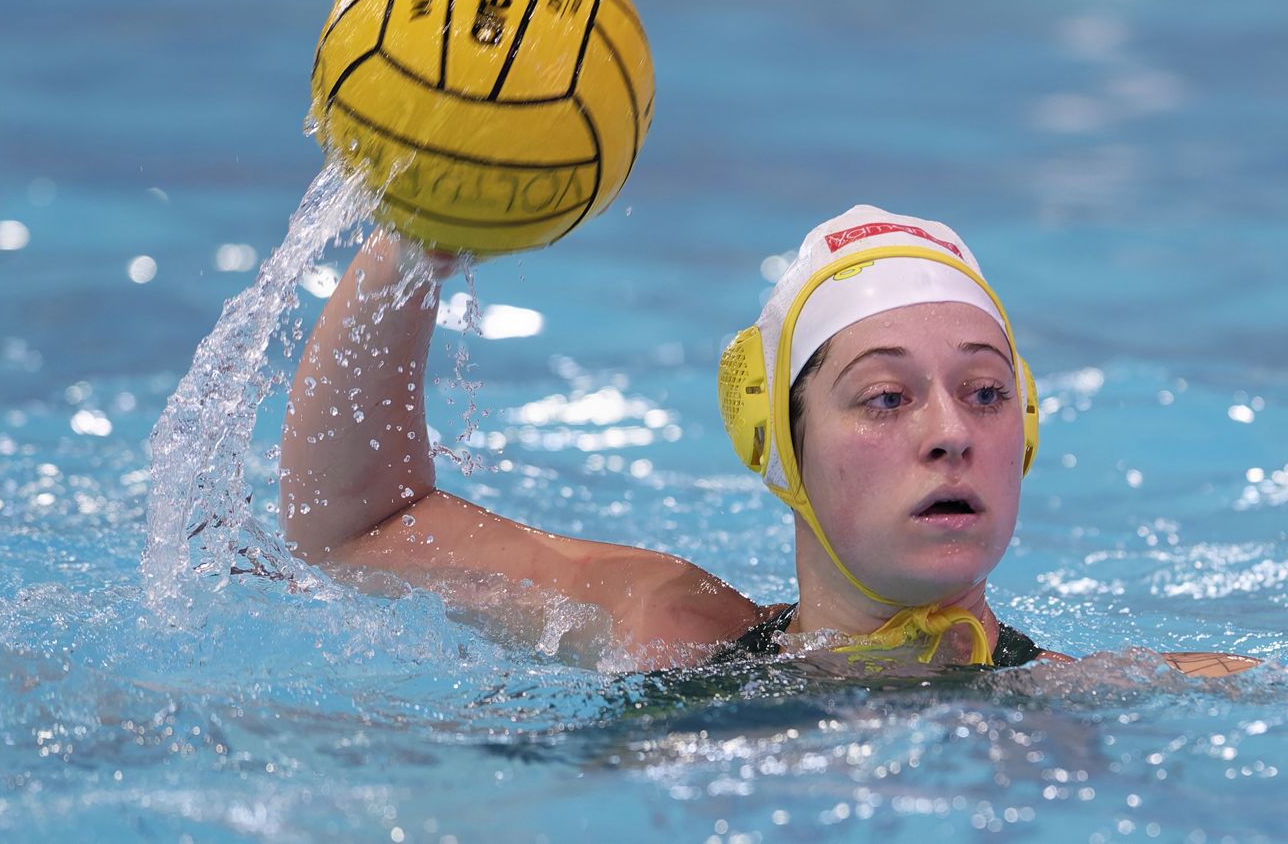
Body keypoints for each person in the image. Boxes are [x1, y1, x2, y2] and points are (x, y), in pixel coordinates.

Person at [278, 204, 1260, 678]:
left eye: (986, 393)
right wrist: (413, 241)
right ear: (777, 444)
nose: (951, 433)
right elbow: (359, 526)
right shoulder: (665, 631)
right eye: (885, 397)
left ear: (1027, 432)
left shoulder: (1105, 699)